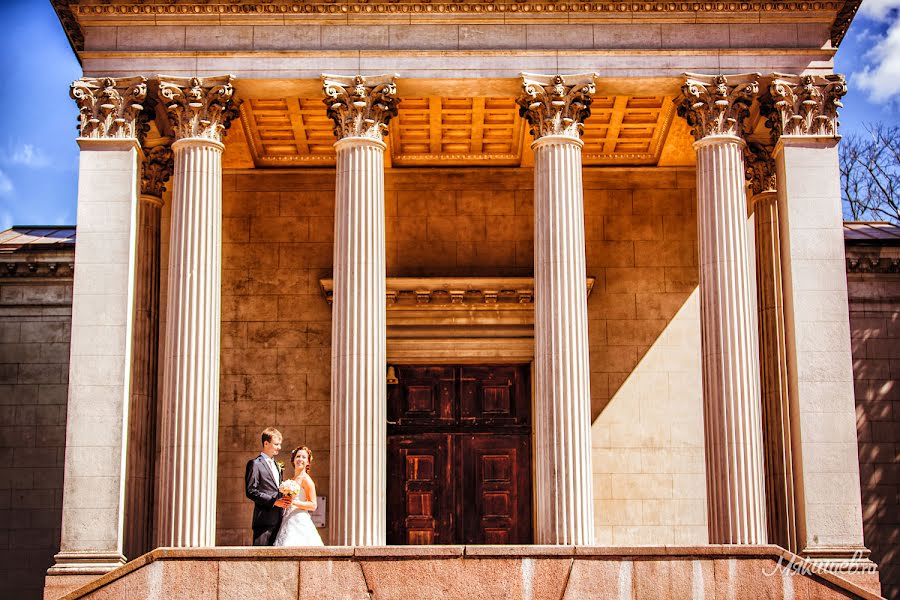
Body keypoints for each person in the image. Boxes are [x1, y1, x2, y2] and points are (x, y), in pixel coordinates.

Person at [245, 427, 292, 546]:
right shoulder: (255, 464)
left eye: (280, 444)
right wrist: (274, 502)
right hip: (263, 521)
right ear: (266, 443)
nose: (279, 448)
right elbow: (251, 491)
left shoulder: (278, 465)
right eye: (276, 444)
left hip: (280, 520)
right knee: (260, 559)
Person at [273, 445, 325, 547]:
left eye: (303, 457)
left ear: (308, 462)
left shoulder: (306, 479)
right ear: (293, 459)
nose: (300, 459)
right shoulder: (291, 480)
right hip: (287, 519)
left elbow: (313, 505)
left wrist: (293, 502)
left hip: (300, 520)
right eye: (298, 456)